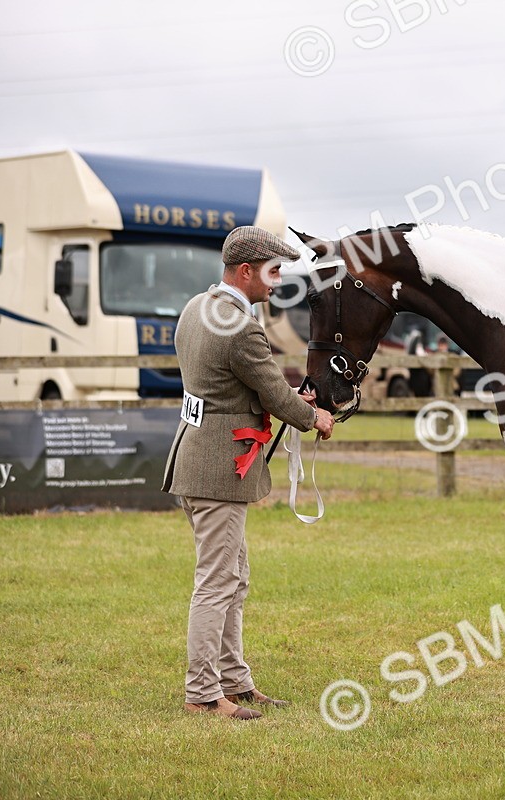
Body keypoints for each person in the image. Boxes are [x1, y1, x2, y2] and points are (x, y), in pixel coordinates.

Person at [162, 226, 335, 720]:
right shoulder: (240, 327)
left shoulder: (196, 308)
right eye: (273, 271)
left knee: (232, 579)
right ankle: (202, 693)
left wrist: (282, 401)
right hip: (218, 469)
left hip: (196, 458)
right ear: (245, 272)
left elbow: (231, 386)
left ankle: (234, 681)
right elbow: (273, 393)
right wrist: (314, 416)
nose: (278, 281)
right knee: (218, 583)